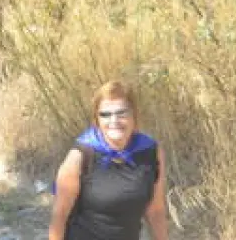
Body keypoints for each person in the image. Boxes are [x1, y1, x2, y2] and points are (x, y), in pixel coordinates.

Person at [48, 81, 168, 240]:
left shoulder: (150, 152)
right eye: (105, 114)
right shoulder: (81, 157)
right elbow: (59, 216)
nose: (114, 121)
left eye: (121, 113)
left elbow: (156, 211)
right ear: (97, 120)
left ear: (134, 115)